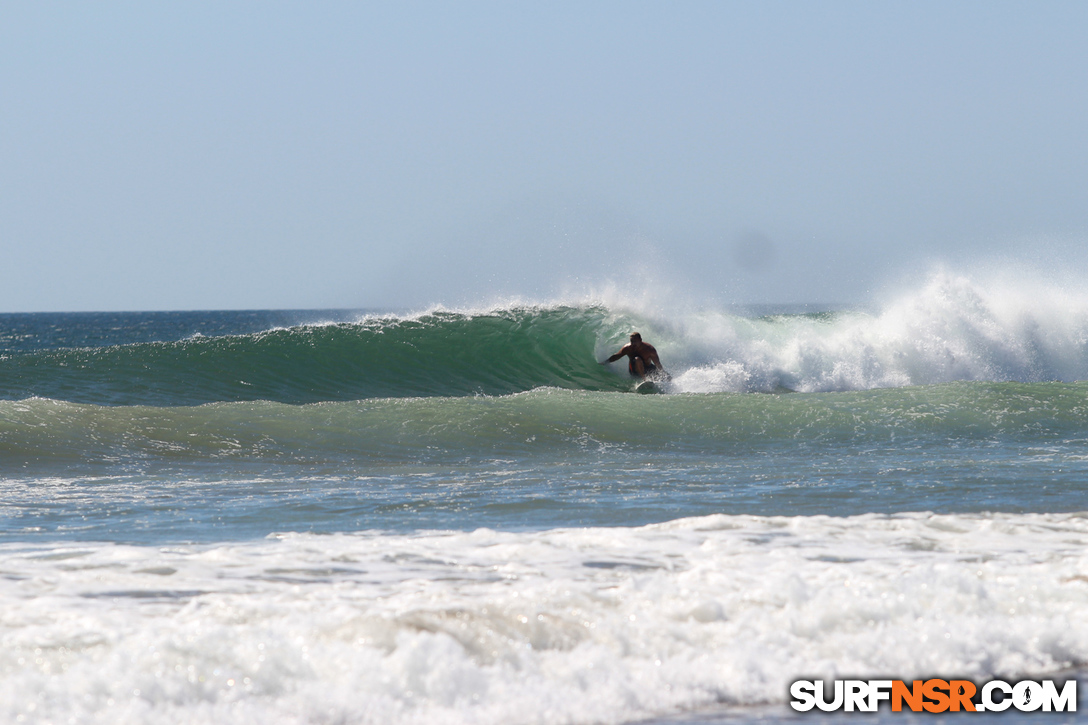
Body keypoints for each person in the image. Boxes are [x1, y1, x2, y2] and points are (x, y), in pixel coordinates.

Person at [601, 332, 666, 379]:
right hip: (635, 371)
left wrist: (663, 374)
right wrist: (605, 362)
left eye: (635, 341)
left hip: (648, 368)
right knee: (637, 359)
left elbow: (658, 364)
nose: (633, 343)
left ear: (640, 340)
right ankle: (644, 380)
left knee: (667, 376)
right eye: (632, 341)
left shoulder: (650, 349)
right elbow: (617, 356)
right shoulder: (627, 348)